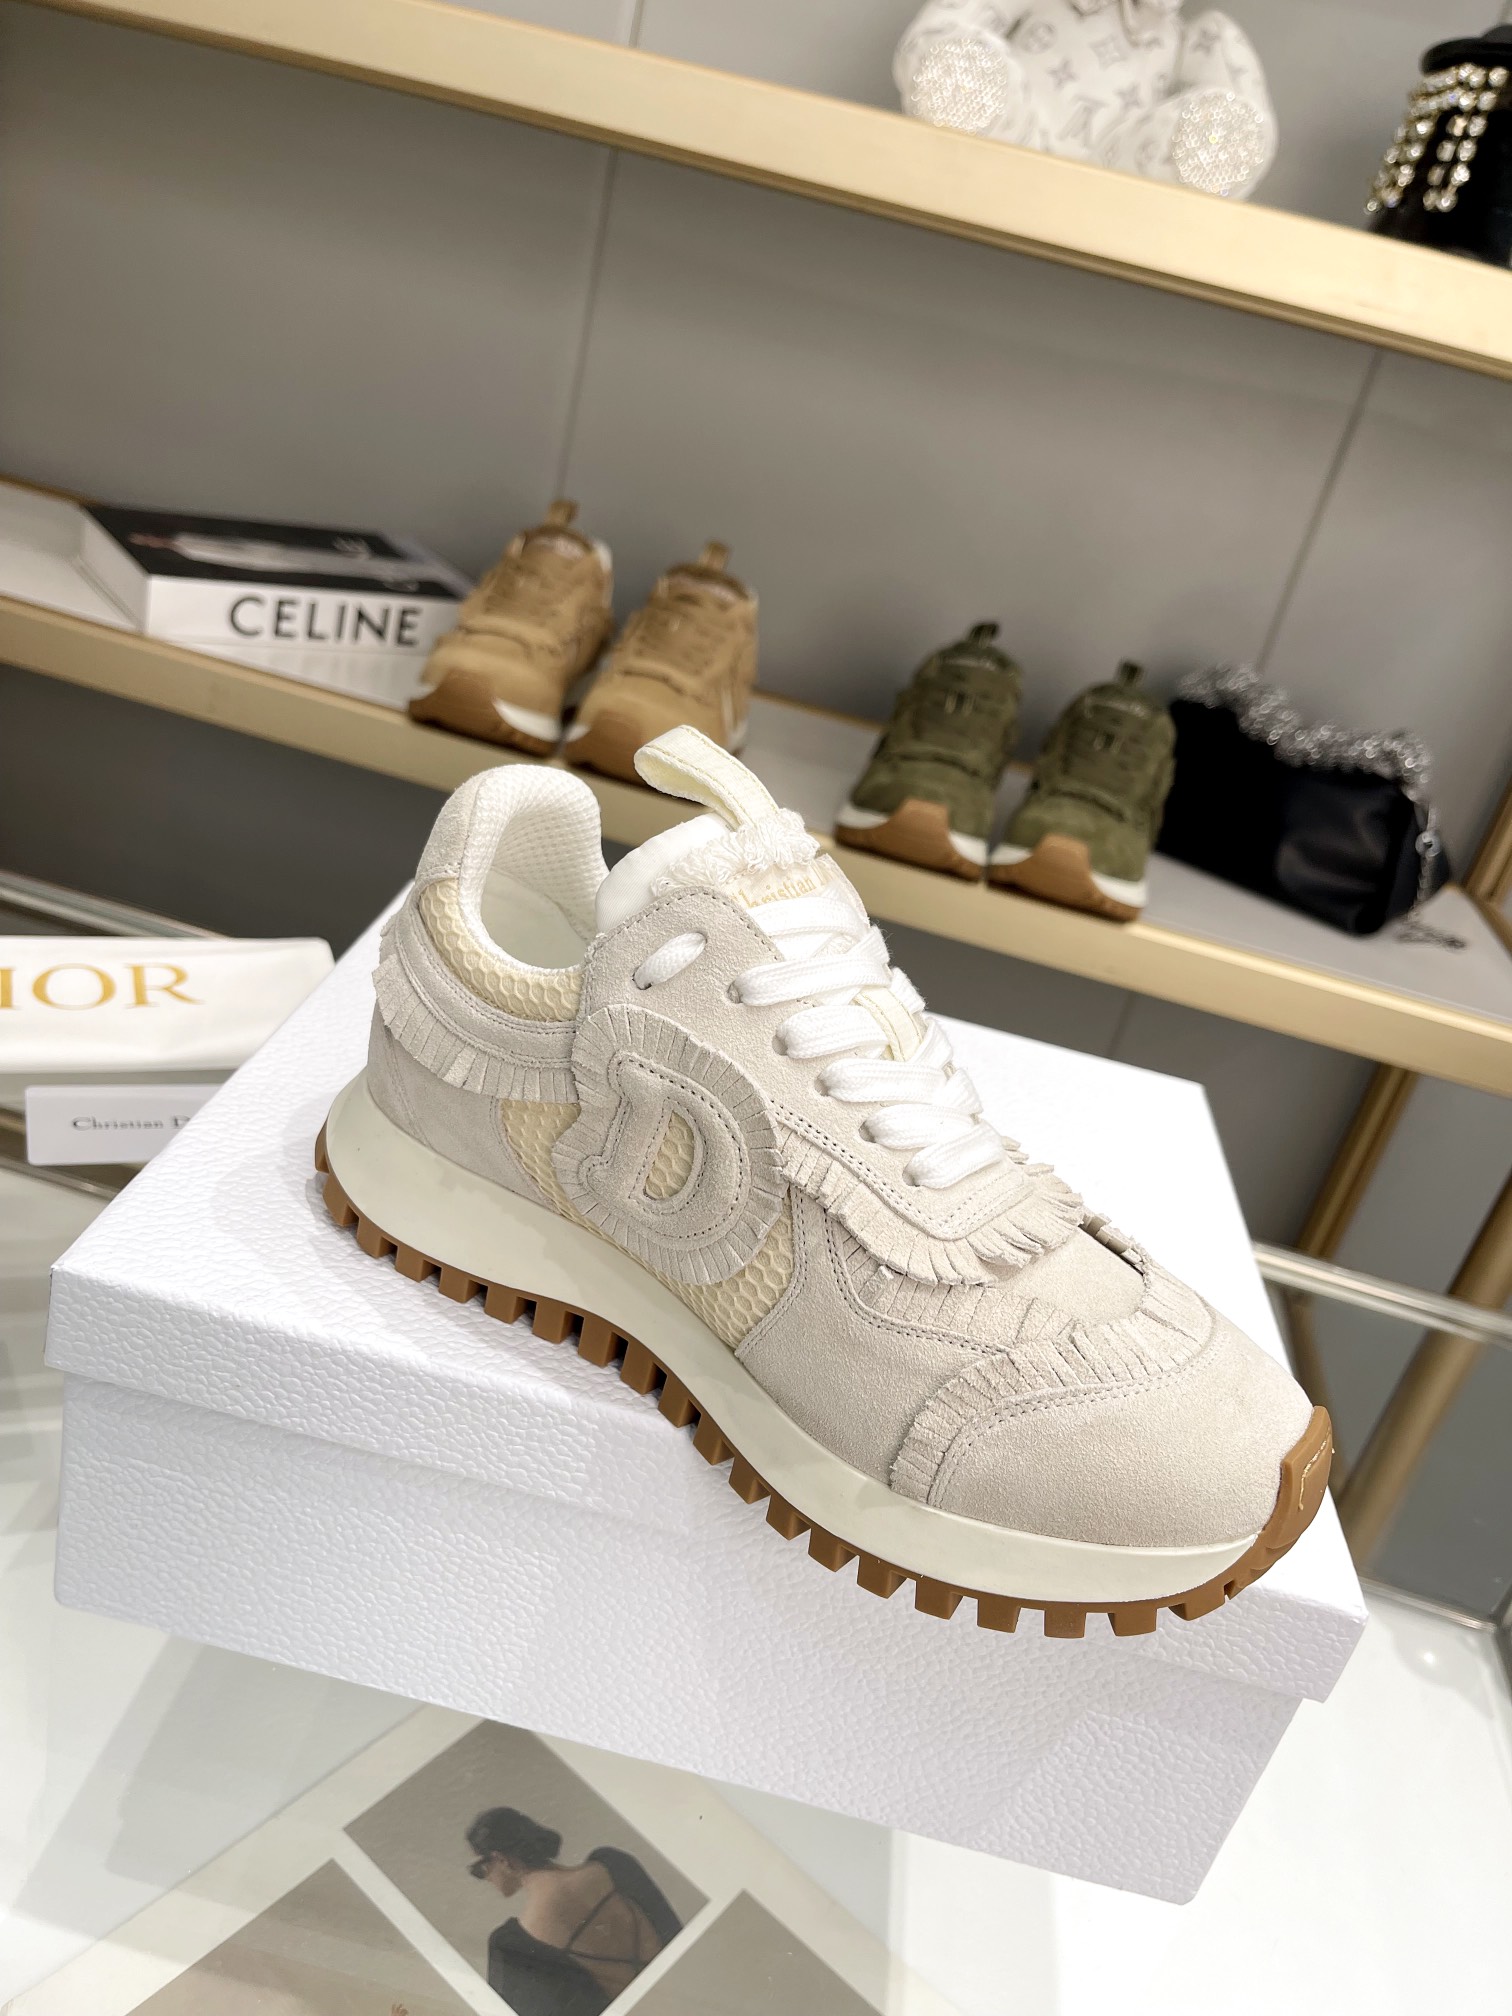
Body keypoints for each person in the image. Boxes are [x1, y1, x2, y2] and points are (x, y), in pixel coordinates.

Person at [466, 1808, 681, 2016]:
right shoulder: (614, 1864)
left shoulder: (510, 1945)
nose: (485, 1878)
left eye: (479, 1869)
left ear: (501, 1859)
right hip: (683, 1996)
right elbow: (672, 1931)